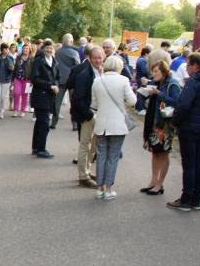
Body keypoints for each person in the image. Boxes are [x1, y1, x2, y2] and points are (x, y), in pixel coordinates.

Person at [168, 53, 200, 211]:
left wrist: (175, 121)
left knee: (189, 164)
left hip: (190, 128)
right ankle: (196, 199)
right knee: (198, 163)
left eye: (188, 65)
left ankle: (186, 199)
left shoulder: (194, 83)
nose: (187, 68)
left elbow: (183, 105)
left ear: (196, 65)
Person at [90, 54, 137, 200]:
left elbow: (94, 104)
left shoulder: (97, 81)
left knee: (102, 155)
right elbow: (132, 101)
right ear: (119, 67)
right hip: (117, 124)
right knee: (113, 157)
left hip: (101, 123)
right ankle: (108, 189)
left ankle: (99, 188)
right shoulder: (123, 80)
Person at [140, 60, 182, 195]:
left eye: (156, 71)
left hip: (165, 124)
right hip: (154, 121)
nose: (153, 74)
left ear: (163, 71)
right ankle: (153, 181)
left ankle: (160, 184)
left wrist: (159, 94)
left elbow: (177, 102)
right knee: (155, 151)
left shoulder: (172, 83)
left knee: (163, 153)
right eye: (153, 71)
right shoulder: (159, 82)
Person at [71, 47, 104, 187]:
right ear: (90, 58)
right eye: (95, 58)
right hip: (87, 114)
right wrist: (89, 115)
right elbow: (77, 98)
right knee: (85, 144)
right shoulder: (85, 74)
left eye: (100, 57)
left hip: (99, 113)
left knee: (93, 146)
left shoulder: (101, 72)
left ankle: (87, 170)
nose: (97, 60)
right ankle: (83, 176)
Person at [30, 39, 60, 158]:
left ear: (53, 50)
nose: (49, 50)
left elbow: (57, 76)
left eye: (51, 48)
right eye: (47, 48)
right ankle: (41, 149)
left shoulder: (55, 61)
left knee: (40, 122)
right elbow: (35, 79)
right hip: (40, 95)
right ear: (43, 49)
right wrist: (50, 85)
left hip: (50, 95)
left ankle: (36, 147)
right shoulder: (39, 61)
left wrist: (56, 85)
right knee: (44, 123)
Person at [53, 33, 81, 130]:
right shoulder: (74, 53)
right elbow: (78, 67)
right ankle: (75, 124)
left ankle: (53, 122)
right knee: (74, 103)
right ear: (71, 41)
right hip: (72, 80)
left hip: (60, 80)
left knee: (57, 102)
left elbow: (54, 66)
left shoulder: (57, 52)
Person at [12, 44, 33, 117]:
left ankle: (22, 110)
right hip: (18, 78)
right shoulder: (18, 57)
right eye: (24, 48)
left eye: (27, 49)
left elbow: (33, 70)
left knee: (25, 95)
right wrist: (13, 79)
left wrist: (32, 81)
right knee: (16, 93)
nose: (25, 50)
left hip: (28, 80)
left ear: (29, 50)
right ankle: (15, 110)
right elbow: (15, 68)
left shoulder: (32, 59)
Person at [134, 45, 153, 116]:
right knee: (141, 94)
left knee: (140, 93)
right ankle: (140, 109)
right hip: (142, 79)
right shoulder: (142, 60)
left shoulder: (140, 59)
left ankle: (137, 108)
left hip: (140, 78)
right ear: (146, 54)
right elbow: (145, 71)